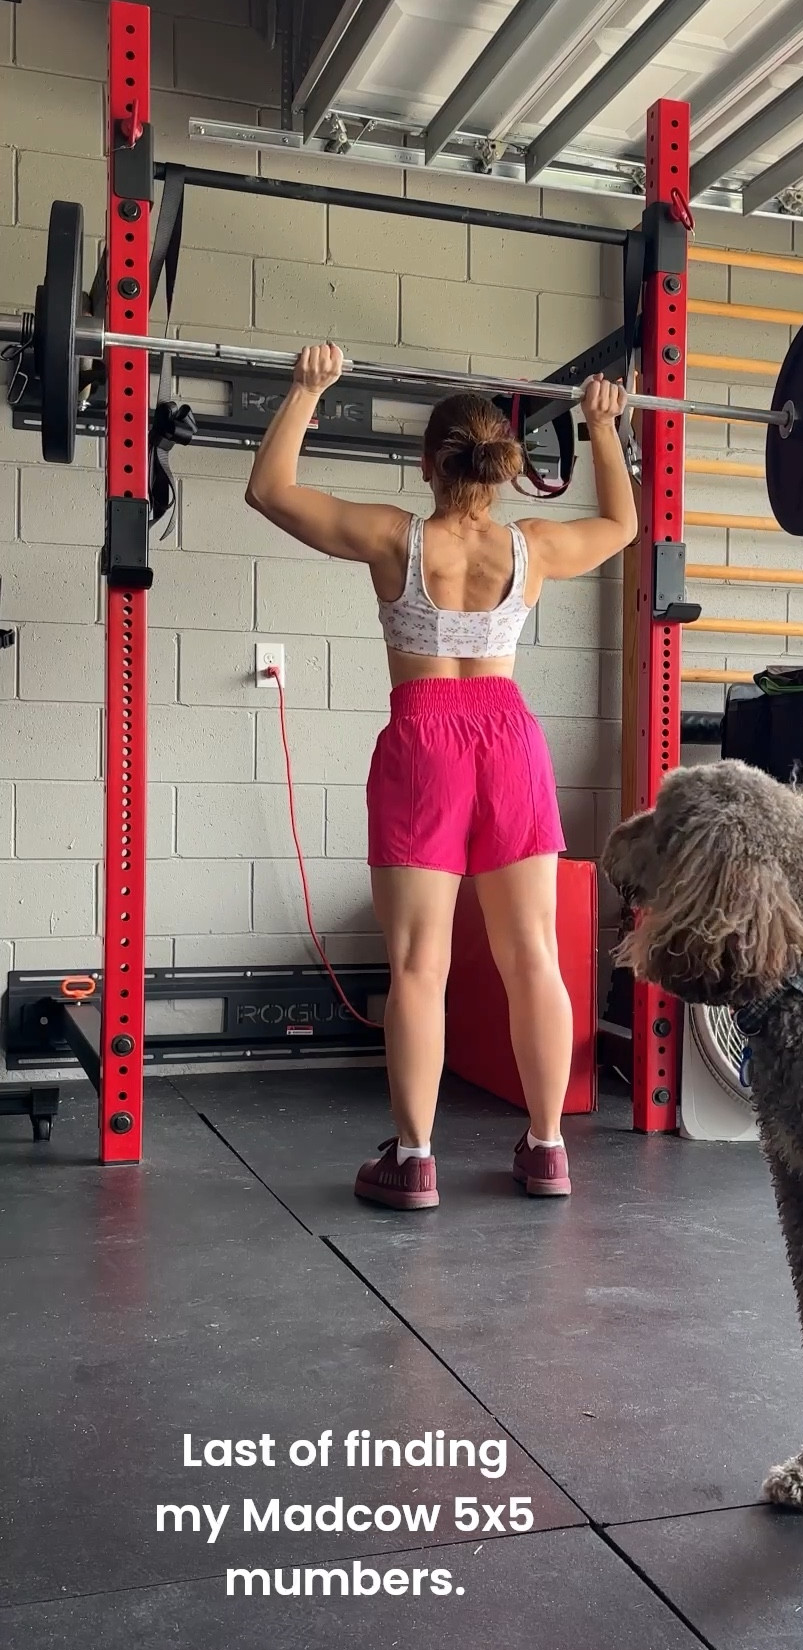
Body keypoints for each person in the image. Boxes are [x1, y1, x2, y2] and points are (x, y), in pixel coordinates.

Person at [245, 344, 636, 1209]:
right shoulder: (530, 547)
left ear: (427, 463)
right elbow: (622, 528)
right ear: (507, 468)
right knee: (533, 955)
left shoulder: (396, 537)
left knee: (419, 965)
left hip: (424, 741)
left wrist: (309, 389)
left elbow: (269, 490)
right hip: (510, 741)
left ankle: (415, 1159)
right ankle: (546, 1150)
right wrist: (604, 429)